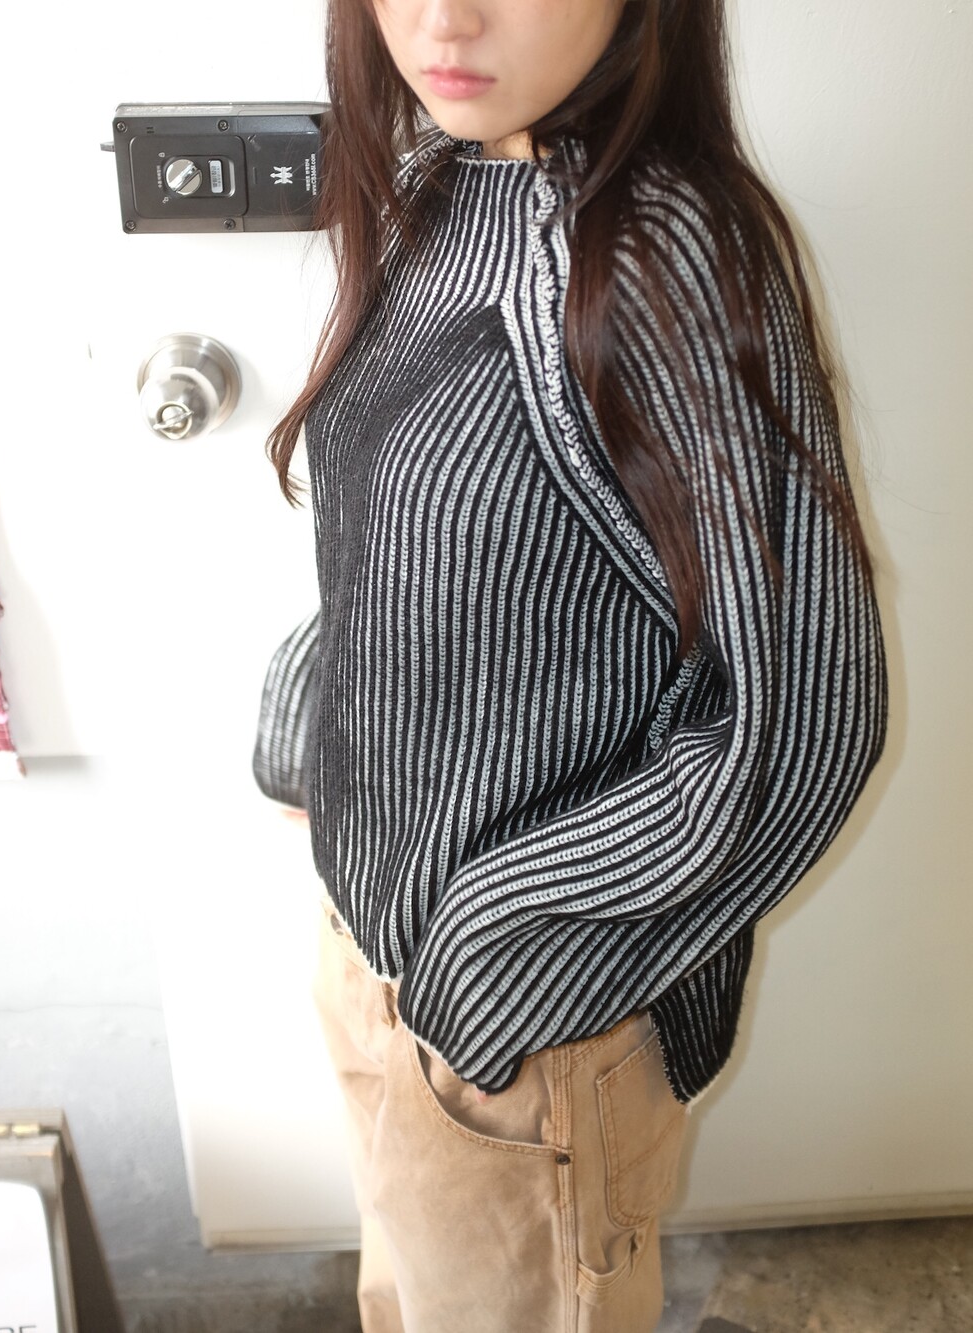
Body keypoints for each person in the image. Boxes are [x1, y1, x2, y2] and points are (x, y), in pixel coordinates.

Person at [252, 1, 889, 1329]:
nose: (445, 18)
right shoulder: (447, 181)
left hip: (525, 1030)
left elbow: (798, 719)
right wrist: (313, 737)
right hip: (376, 958)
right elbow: (404, 542)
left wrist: (500, 947)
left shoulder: (659, 253)